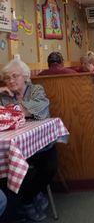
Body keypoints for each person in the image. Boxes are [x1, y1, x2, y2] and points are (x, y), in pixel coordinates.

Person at [0, 59, 57, 222]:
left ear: (25, 76)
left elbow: (41, 109)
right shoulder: (3, 95)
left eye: (14, 76)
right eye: (6, 78)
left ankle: (27, 199)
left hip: (39, 145)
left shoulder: (36, 90)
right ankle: (21, 206)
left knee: (50, 165)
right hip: (13, 148)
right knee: (10, 170)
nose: (10, 80)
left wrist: (12, 110)